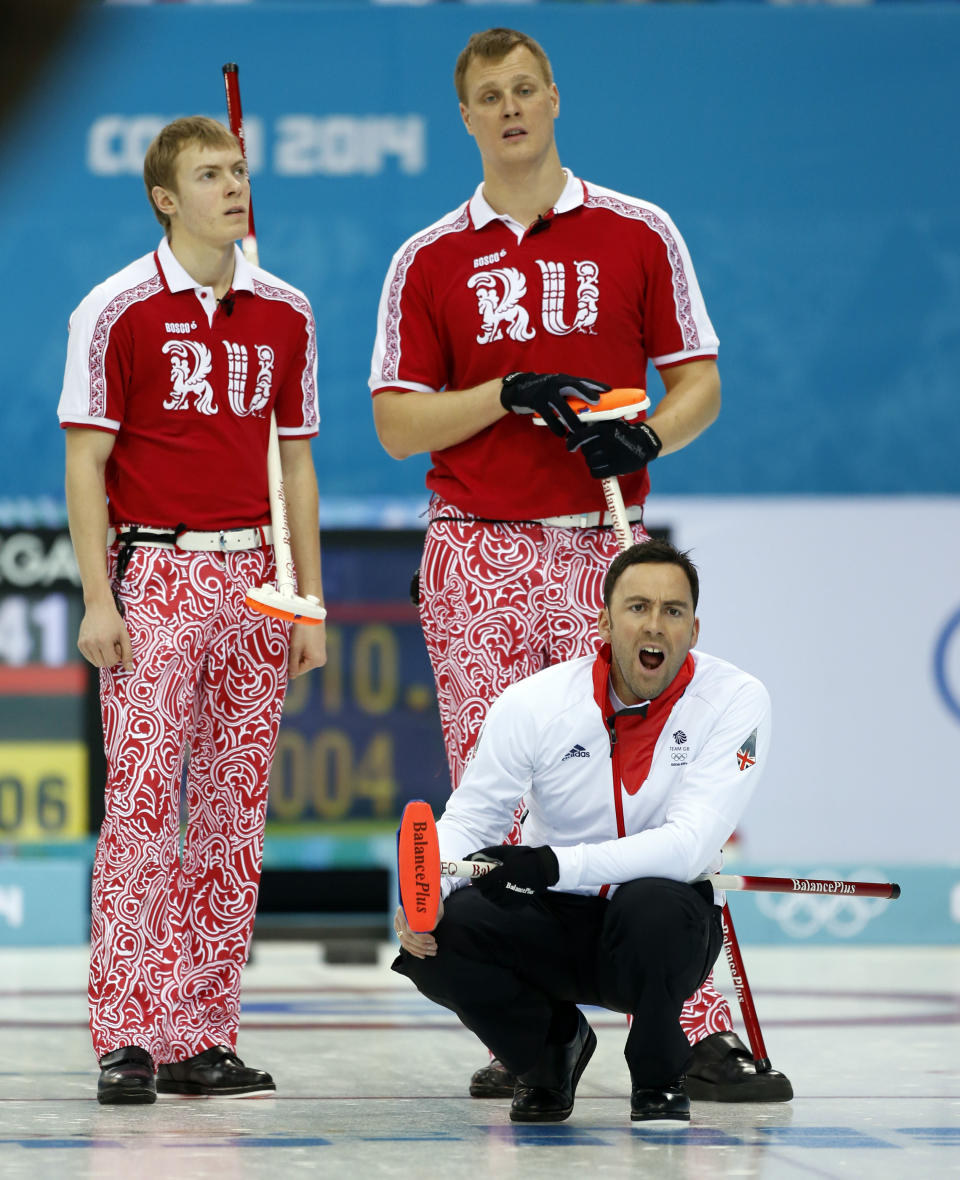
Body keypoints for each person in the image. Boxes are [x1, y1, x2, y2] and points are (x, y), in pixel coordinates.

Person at [370, 28, 789, 1101]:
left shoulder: (637, 232)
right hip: (476, 546)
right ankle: (529, 1029)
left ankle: (690, 1028)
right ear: (463, 117)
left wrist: (649, 435)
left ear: (555, 97)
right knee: (494, 790)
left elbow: (700, 382)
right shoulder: (430, 257)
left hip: (608, 546)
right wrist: (505, 391)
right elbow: (397, 423)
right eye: (487, 97)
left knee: (660, 778)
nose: (509, 109)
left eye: (525, 89)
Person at [58, 116, 326, 1105]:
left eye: (239, 170)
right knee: (139, 809)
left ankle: (199, 1032)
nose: (233, 186)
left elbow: (295, 460)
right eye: (210, 174)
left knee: (229, 815)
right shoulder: (117, 308)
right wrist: (99, 594)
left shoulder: (286, 310)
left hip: (257, 574)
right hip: (158, 569)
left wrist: (306, 599)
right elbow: (86, 461)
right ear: (165, 197)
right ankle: (125, 1031)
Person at [394, 541, 769, 1124]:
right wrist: (425, 893)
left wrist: (551, 864)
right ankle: (551, 1051)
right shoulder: (535, 704)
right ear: (602, 621)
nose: (655, 624)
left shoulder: (737, 700)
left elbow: (689, 845)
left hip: (663, 931)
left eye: (673, 612)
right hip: (557, 922)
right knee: (450, 937)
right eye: (637, 606)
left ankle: (658, 1075)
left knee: (655, 904)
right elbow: (471, 817)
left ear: (694, 629)